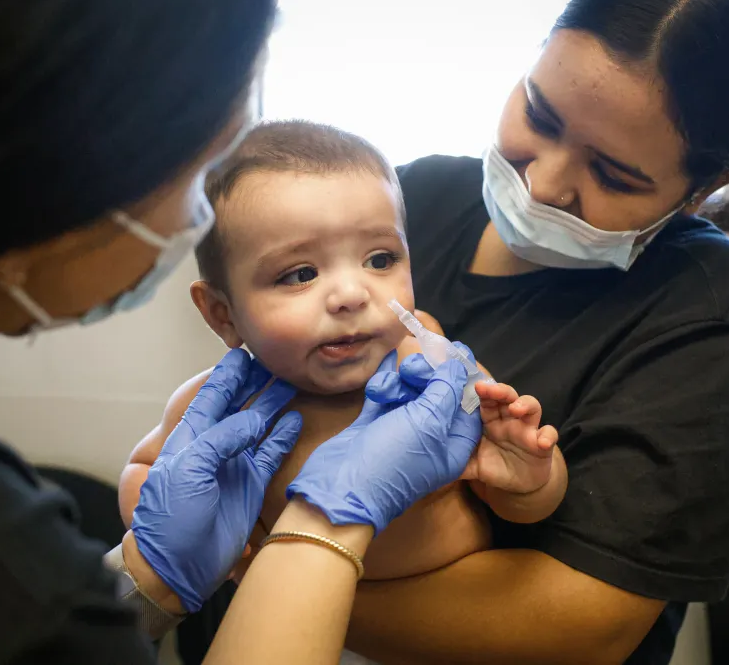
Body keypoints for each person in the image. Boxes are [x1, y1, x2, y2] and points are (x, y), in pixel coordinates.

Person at [131, 0, 729, 663]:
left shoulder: (709, 310)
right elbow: (154, 498)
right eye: (540, 115)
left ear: (705, 188)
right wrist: (181, 562)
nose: (543, 184)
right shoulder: (406, 199)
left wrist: (263, 569)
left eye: (614, 175)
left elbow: (585, 626)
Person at [0, 0, 485, 664]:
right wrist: (312, 529)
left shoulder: (423, 357)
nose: (349, 293)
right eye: (194, 177)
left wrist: (147, 583)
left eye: (380, 258)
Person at [119, 120, 568, 583]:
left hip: (454, 613)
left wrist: (530, 476)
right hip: (286, 613)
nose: (352, 295)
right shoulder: (222, 409)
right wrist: (188, 553)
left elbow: (525, 507)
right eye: (300, 274)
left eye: (380, 260)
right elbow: (144, 471)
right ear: (222, 314)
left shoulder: (433, 363)